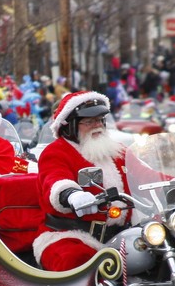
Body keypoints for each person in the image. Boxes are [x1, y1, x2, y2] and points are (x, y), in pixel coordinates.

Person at [32, 91, 130, 272]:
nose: (98, 125)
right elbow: (54, 179)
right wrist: (71, 194)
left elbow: (142, 172)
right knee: (75, 259)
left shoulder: (118, 151)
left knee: (162, 250)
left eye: (100, 120)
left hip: (120, 235)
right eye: (89, 122)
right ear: (70, 126)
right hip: (68, 235)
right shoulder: (56, 152)